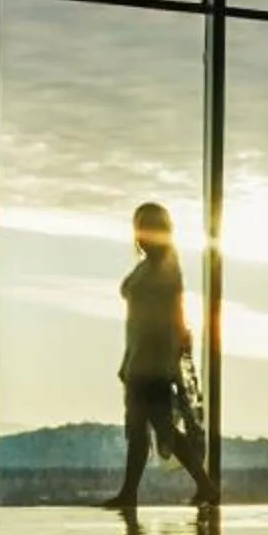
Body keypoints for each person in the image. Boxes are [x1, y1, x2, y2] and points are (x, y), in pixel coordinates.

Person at [101, 201, 217, 511]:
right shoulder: (150, 267)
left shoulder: (164, 270)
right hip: (142, 359)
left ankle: (198, 485)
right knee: (146, 427)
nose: (140, 235)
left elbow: (174, 318)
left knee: (153, 426)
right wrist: (129, 360)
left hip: (152, 362)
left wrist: (171, 360)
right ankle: (136, 492)